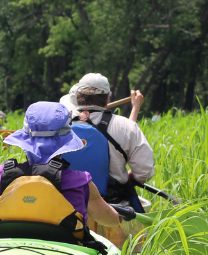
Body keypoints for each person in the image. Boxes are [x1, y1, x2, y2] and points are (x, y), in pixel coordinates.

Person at [0, 102, 129, 249]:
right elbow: (111, 220)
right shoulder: (81, 182)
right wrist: (114, 211)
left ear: (25, 139)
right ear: (66, 143)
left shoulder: (1, 177)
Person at [61, 73, 155, 213]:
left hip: (66, 205)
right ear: (107, 99)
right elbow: (144, 173)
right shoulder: (126, 126)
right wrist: (124, 178)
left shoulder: (58, 126)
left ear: (77, 97)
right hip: (113, 206)